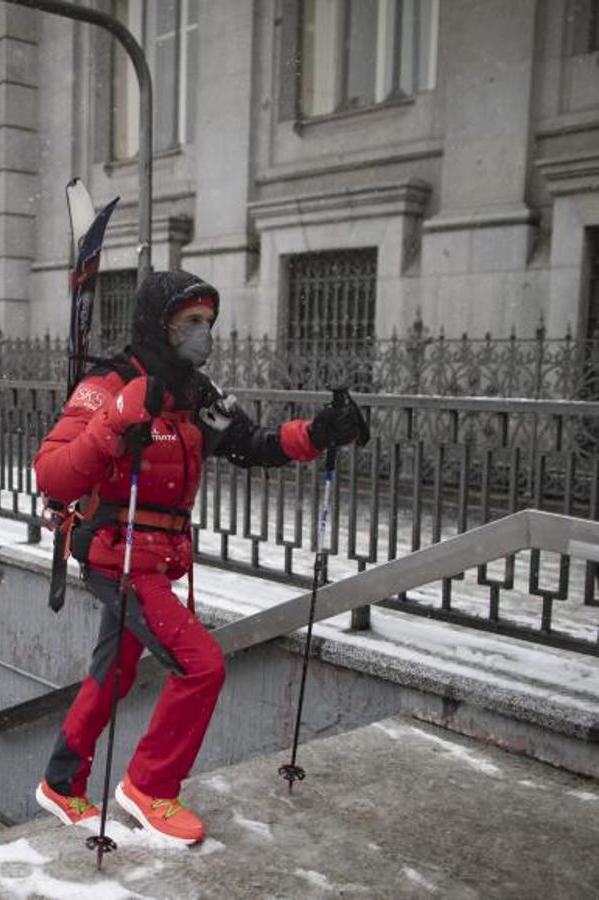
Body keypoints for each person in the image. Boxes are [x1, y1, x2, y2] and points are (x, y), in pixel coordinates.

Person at [32, 270, 366, 845]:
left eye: (207, 322)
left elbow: (253, 444)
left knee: (114, 672)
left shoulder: (197, 393)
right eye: (189, 322)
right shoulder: (109, 382)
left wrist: (317, 432)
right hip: (120, 554)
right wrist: (115, 422)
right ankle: (149, 786)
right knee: (202, 664)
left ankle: (62, 782)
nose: (201, 333)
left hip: (160, 558)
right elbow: (51, 474)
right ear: (158, 324)